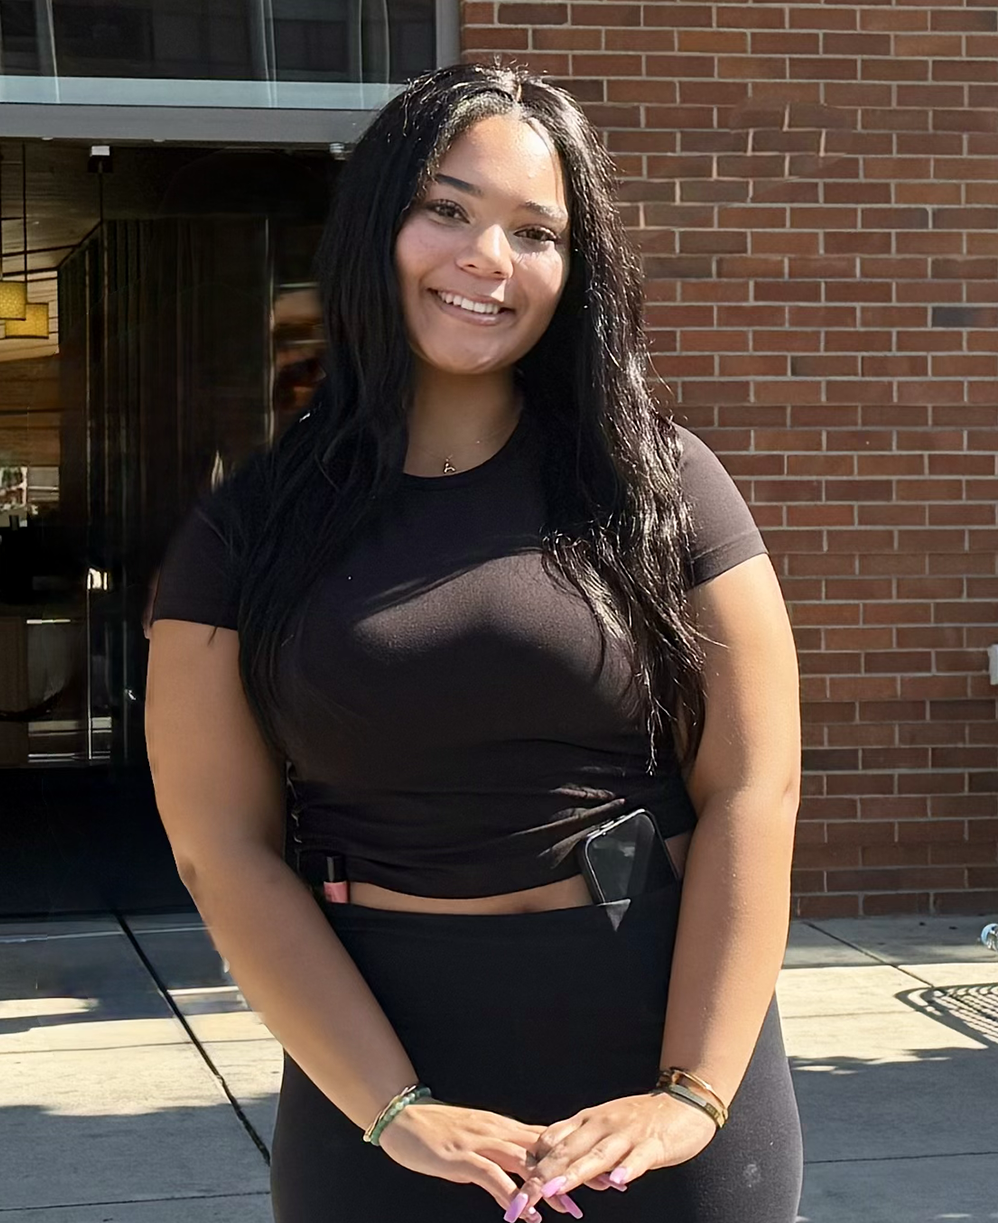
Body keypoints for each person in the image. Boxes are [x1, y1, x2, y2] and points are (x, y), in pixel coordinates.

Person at [146, 63, 802, 1223]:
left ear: (574, 266)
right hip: (381, 1067)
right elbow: (220, 847)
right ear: (377, 226)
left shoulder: (660, 484)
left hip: (654, 1045)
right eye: (447, 209)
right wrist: (394, 1106)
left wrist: (691, 1094)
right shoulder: (245, 528)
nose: (488, 259)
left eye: (535, 230)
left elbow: (754, 782)